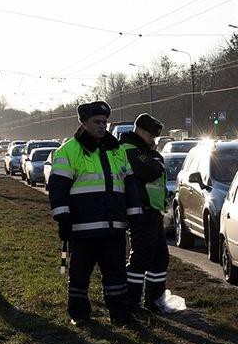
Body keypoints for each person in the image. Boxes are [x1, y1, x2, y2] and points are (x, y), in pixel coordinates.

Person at [48, 101, 142, 326]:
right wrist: (63, 218)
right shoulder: (69, 150)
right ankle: (79, 315)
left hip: (114, 227)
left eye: (105, 122)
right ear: (84, 122)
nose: (102, 126)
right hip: (83, 228)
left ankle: (120, 315)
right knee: (80, 275)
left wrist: (134, 213)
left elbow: (129, 184)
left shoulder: (116, 150)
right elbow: (58, 188)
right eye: (97, 122)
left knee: (116, 276)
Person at [119, 114, 170, 313]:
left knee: (159, 258)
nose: (154, 141)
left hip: (151, 212)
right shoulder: (130, 150)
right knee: (140, 258)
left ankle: (154, 300)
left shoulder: (140, 149)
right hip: (139, 212)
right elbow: (154, 170)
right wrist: (154, 156)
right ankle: (132, 303)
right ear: (140, 131)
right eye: (151, 136)